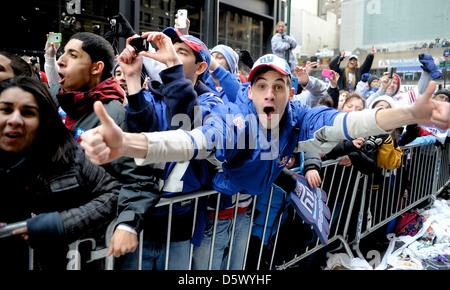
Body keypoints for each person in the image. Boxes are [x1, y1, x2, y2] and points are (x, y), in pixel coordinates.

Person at [80, 54, 450, 250]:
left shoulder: (300, 115)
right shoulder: (236, 122)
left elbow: (346, 123)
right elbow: (193, 142)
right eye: (260, 86)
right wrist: (128, 143)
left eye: (279, 85)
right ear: (251, 92)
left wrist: (408, 114)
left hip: (251, 207)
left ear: (290, 92)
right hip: (216, 215)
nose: (270, 94)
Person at [111, 28, 221, 270]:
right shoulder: (149, 96)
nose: (168, 54)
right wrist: (132, 78)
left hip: (180, 224)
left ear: (201, 67)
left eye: (180, 52)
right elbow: (142, 136)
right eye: (167, 49)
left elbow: (184, 126)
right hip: (142, 220)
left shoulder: (211, 102)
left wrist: (173, 69)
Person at [52, 32, 162, 267]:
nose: (61, 60)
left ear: (96, 67)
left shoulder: (114, 116)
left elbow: (139, 180)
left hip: (86, 246)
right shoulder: (52, 102)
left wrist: (127, 224)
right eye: (62, 54)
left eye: (72, 55)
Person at [0, 76, 120, 270]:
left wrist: (61, 223)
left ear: (43, 119)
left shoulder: (69, 156)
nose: (15, 120)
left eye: (28, 112)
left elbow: (114, 193)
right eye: (5, 110)